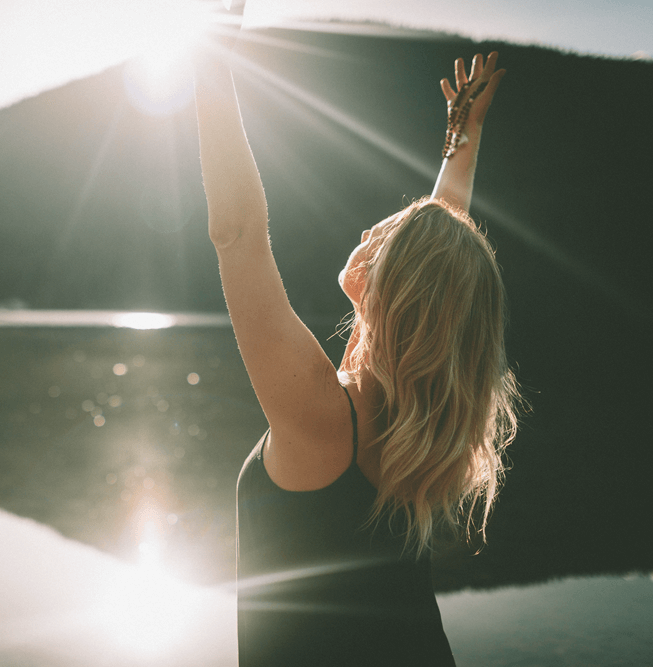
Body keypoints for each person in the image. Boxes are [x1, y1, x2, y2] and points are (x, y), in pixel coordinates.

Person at [194, 20, 521, 667]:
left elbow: (238, 233)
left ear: (386, 289)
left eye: (388, 232)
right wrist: (463, 140)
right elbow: (444, 276)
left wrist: (209, 66)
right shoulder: (425, 425)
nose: (373, 228)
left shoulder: (321, 418)